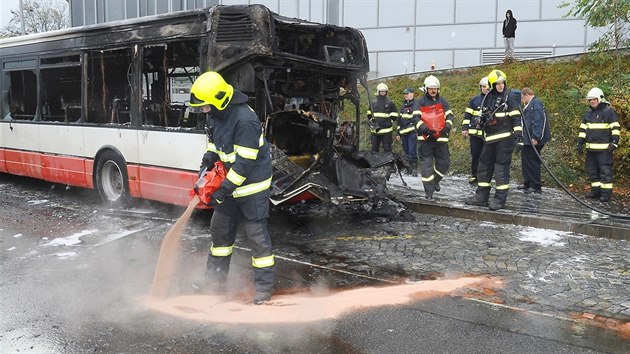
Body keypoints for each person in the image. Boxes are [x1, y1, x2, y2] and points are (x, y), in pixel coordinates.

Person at [189, 71, 275, 304]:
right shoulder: (216, 115)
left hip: (252, 188)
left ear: (219, 99)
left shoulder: (245, 120)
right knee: (220, 234)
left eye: (206, 106)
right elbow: (216, 144)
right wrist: (208, 160)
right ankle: (214, 285)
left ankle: (264, 290)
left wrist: (223, 191)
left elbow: (244, 164)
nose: (204, 111)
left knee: (257, 237)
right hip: (230, 185)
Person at [465, 69, 522, 210]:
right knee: (483, 166)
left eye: (502, 83)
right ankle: (481, 197)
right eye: (497, 83)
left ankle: (499, 200)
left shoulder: (510, 98)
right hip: (489, 139)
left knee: (501, 169)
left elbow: (516, 116)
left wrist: (518, 133)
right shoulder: (487, 97)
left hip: (505, 139)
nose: (501, 86)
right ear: (491, 84)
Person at [576, 87, 620, 202]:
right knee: (592, 171)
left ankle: (605, 194)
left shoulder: (608, 111)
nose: (591, 102)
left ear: (600, 99)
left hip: (604, 150)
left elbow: (615, 128)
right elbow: (583, 129)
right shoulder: (589, 113)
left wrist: (614, 142)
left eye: (593, 99)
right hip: (591, 149)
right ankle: (596, 191)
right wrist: (580, 143)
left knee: (605, 172)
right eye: (589, 100)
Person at [415, 75, 454, 200]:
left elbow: (450, 117)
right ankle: (429, 193)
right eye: (431, 88)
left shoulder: (443, 102)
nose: (433, 91)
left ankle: (435, 181)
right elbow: (415, 118)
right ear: (426, 89)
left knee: (445, 163)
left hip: (441, 140)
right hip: (425, 140)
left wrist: (447, 128)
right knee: (427, 167)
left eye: (435, 88)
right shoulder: (419, 102)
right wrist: (425, 129)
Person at [519, 87, 551, 194]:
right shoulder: (529, 105)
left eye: (523, 98)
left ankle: (535, 185)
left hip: (533, 140)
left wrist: (536, 137)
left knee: (533, 162)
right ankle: (527, 183)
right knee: (526, 161)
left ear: (527, 95)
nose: (523, 101)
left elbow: (539, 121)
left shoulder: (536, 104)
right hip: (526, 140)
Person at [462, 77, 489, 185]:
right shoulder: (475, 100)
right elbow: (467, 114)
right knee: (475, 155)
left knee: (486, 156)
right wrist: (465, 128)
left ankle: (485, 176)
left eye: (487, 87)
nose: (485, 89)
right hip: (475, 135)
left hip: (488, 135)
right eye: (483, 87)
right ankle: (475, 176)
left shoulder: (493, 99)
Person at [367, 83, 398, 152]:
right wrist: (373, 122)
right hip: (375, 131)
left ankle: (389, 163)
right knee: (374, 150)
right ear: (378, 92)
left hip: (387, 131)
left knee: (387, 150)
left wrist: (389, 122)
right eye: (381, 91)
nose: (383, 92)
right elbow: (369, 114)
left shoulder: (390, 103)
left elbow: (395, 115)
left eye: (384, 91)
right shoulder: (373, 103)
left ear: (386, 92)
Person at [396, 87, 419, 176]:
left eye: (407, 94)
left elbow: (416, 119)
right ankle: (408, 168)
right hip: (403, 133)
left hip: (412, 132)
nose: (405, 95)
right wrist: (398, 132)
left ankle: (414, 169)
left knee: (412, 151)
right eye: (404, 94)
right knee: (406, 151)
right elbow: (399, 120)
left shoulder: (416, 105)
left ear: (412, 94)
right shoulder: (403, 106)